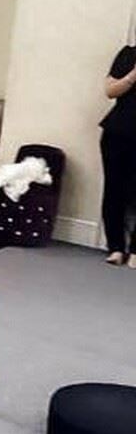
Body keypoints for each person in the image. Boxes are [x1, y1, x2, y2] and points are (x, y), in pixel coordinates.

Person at [99, 43, 136, 267]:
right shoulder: (128, 54)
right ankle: (116, 247)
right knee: (114, 190)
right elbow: (110, 91)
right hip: (118, 132)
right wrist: (133, 75)